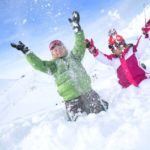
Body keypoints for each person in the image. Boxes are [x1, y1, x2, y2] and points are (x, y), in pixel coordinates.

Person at [10, 11, 108, 121]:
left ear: (64, 48)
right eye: (54, 50)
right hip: (71, 100)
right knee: (81, 122)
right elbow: (39, 65)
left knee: (102, 115)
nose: (58, 51)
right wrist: (27, 53)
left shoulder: (74, 56)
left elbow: (80, 45)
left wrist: (77, 31)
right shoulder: (53, 66)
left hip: (88, 92)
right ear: (52, 54)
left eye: (60, 47)